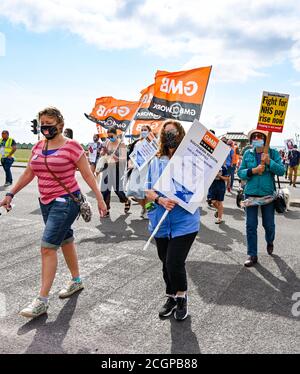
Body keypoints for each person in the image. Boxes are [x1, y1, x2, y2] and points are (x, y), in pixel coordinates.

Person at [0, 107, 107, 319]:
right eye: (42, 123)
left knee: (48, 247)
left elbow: (87, 174)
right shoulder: (38, 146)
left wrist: (101, 199)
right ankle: (76, 280)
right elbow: (30, 172)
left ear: (60, 125)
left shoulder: (72, 147)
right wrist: (11, 193)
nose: (45, 127)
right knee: (66, 240)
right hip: (46, 202)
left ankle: (41, 301)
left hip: (67, 202)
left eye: (49, 123)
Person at [145, 120, 200, 321]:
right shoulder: (155, 160)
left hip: (184, 222)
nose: (170, 136)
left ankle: (181, 298)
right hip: (160, 221)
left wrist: (182, 195)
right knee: (164, 263)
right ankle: (170, 296)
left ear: (181, 134)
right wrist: (160, 199)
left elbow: (199, 190)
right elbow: (147, 189)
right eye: (166, 132)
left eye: (173, 132)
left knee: (174, 262)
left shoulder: (191, 160)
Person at [237, 129, 284, 267]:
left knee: (268, 225)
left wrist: (269, 162)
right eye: (254, 136)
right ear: (251, 140)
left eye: (260, 136)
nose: (257, 138)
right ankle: (252, 255)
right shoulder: (247, 153)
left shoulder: (273, 153)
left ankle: (270, 241)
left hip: (268, 195)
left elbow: (282, 170)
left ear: (265, 138)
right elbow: (240, 173)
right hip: (250, 195)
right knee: (250, 226)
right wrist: (253, 171)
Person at [100, 126, 131, 218]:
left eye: (111, 136)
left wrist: (114, 156)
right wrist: (103, 152)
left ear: (116, 135)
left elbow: (124, 159)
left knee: (118, 190)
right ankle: (106, 209)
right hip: (108, 168)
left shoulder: (121, 144)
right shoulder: (107, 142)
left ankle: (126, 200)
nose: (110, 138)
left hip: (117, 169)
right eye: (108, 136)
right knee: (105, 190)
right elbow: (102, 153)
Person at [127, 125, 152, 219]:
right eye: (142, 130)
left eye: (145, 130)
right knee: (133, 190)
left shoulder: (153, 142)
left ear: (149, 131)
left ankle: (149, 211)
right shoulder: (137, 143)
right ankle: (144, 207)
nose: (143, 131)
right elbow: (132, 156)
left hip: (148, 168)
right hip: (137, 169)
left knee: (148, 193)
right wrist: (130, 164)